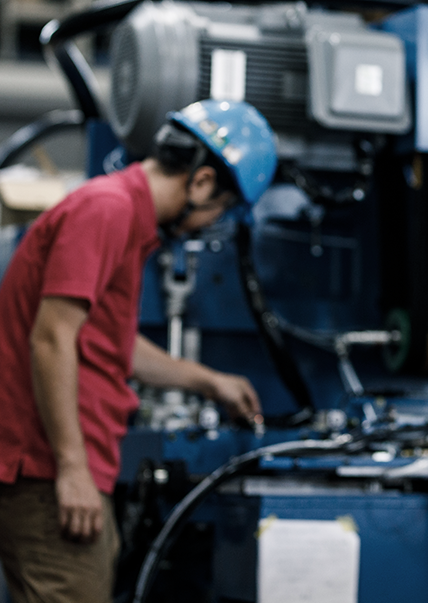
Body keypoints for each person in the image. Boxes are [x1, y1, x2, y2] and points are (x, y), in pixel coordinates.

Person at [0, 98, 277, 603]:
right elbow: (52, 337)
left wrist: (206, 381)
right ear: (201, 183)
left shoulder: (125, 219)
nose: (209, 222)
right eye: (219, 210)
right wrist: (72, 468)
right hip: (46, 471)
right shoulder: (107, 209)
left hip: (60, 468)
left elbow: (108, 344)